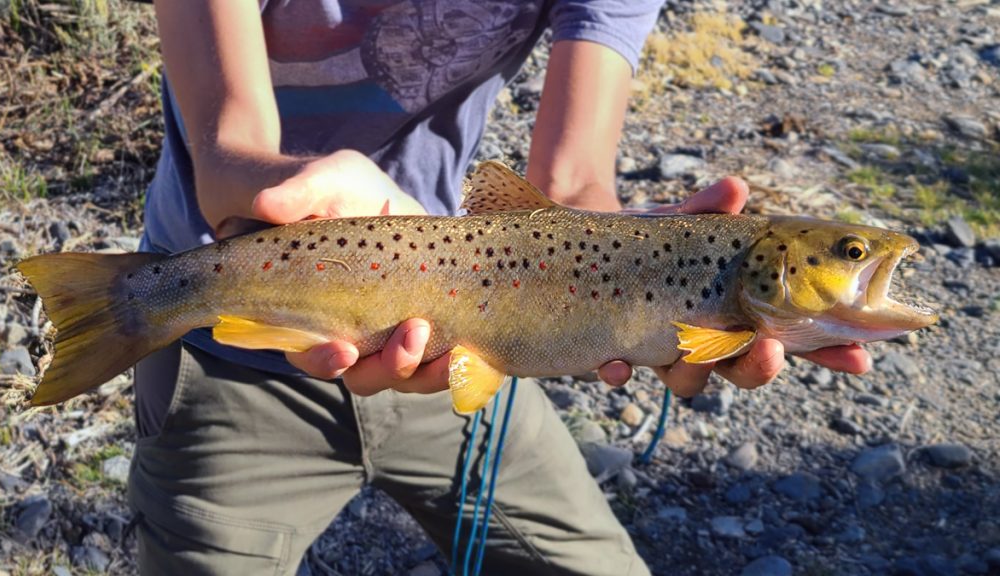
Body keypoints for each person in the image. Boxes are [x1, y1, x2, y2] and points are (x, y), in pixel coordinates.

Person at [130, 1, 872, 574]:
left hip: (475, 331)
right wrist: (297, 198)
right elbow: (229, 157)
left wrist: (646, 265)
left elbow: (571, 185)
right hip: (224, 351)